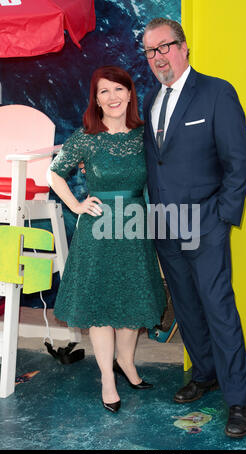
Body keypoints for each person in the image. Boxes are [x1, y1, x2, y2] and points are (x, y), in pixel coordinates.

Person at [142, 18, 246, 438]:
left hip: (206, 224)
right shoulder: (152, 101)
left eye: (164, 47)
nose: (158, 58)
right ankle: (203, 374)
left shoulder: (216, 92)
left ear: (184, 48)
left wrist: (222, 215)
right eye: (150, 52)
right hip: (166, 227)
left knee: (219, 309)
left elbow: (238, 160)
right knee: (186, 307)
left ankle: (237, 400)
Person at [48, 65, 166, 413]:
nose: (112, 97)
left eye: (119, 89)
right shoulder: (85, 137)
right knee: (100, 309)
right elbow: (55, 173)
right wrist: (77, 205)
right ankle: (107, 378)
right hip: (98, 232)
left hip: (134, 228)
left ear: (130, 94)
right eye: (104, 91)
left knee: (132, 304)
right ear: (95, 100)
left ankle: (127, 364)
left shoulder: (146, 136)